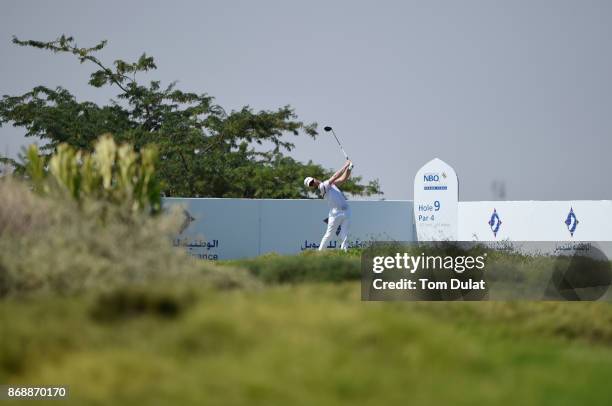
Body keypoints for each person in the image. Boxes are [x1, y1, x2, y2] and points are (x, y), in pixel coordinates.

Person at [304, 160, 353, 251]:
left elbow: (343, 178)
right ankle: (320, 253)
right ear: (311, 187)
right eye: (311, 184)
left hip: (346, 211)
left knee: (345, 234)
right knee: (329, 234)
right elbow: (335, 176)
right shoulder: (322, 187)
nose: (313, 183)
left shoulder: (331, 185)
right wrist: (345, 165)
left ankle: (345, 253)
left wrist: (349, 168)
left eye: (312, 181)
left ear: (314, 178)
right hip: (335, 213)